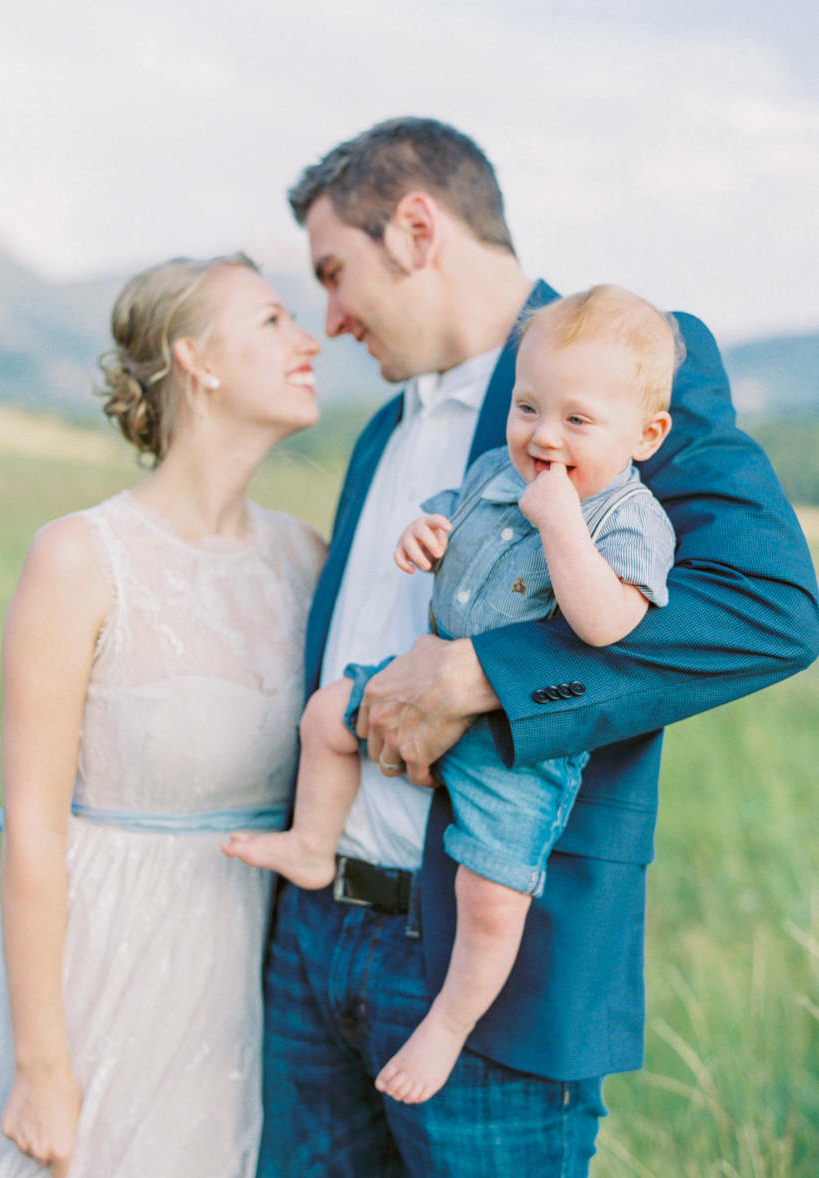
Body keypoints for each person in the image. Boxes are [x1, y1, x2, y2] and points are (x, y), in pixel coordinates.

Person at [254, 118, 819, 1177]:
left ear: (418, 229)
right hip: (315, 943)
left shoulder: (623, 366)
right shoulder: (386, 425)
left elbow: (771, 606)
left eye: (336, 272)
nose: (329, 319)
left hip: (496, 956)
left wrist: (481, 675)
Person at [226, 284, 678, 1104]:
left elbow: (606, 622)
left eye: (576, 422)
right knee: (327, 714)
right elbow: (452, 519)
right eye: (528, 407)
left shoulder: (628, 517)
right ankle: (311, 842)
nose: (543, 436)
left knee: (491, 891)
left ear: (645, 435)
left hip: (515, 748)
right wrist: (426, 534)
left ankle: (450, 1024)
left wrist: (562, 525)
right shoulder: (493, 473)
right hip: (417, 685)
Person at [0, 255, 326, 1178]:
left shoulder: (305, 558)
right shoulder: (80, 558)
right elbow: (32, 833)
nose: (307, 340)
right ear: (198, 360)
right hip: (100, 971)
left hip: (243, 983)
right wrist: (42, 1068)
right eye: (272, 321)